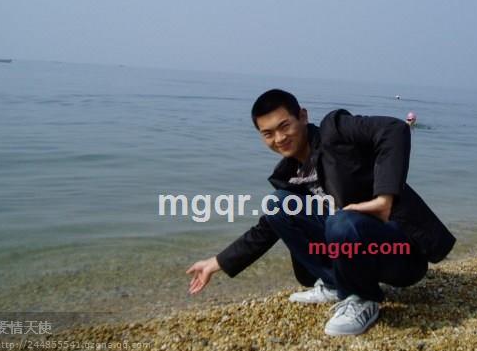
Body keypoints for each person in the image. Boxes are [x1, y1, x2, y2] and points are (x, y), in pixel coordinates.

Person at [186, 89, 455, 336]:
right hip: (353, 249)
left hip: (399, 252)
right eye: (268, 134)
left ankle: (363, 300)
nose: (279, 139)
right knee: (276, 205)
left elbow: (394, 130)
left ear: (302, 116)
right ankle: (337, 285)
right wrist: (216, 263)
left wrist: (384, 199)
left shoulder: (335, 130)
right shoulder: (288, 176)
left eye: (284, 126)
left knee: (341, 221)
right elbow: (266, 230)